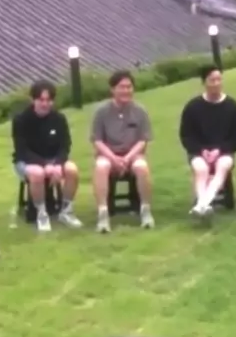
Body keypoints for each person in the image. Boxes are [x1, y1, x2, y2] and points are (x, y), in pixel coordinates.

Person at [12, 80, 82, 232]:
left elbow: (65, 145)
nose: (45, 104)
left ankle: (66, 210)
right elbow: (22, 150)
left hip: (53, 160)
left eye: (48, 100)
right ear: (33, 100)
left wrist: (57, 163)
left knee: (72, 170)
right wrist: (45, 165)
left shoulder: (59, 119)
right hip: (27, 161)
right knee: (37, 173)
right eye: (41, 100)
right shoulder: (20, 120)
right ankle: (41, 213)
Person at [90, 70, 154, 233]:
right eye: (122, 87)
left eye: (129, 87)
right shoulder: (101, 112)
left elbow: (143, 140)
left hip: (133, 154)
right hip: (108, 154)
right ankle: (103, 213)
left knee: (141, 167)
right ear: (113, 89)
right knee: (101, 167)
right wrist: (113, 158)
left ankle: (145, 210)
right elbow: (97, 140)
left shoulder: (140, 111)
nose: (126, 91)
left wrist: (127, 158)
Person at [179, 65, 236, 217]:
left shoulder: (232, 107)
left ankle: (201, 205)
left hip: (224, 152)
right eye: (212, 80)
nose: (216, 83)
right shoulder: (193, 107)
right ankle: (204, 205)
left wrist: (219, 150)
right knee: (201, 169)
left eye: (218, 79)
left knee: (222, 166)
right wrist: (201, 150)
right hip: (198, 152)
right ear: (204, 82)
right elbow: (186, 136)